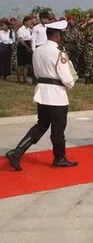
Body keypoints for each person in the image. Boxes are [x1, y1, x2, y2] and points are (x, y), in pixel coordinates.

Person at [6, 20, 78, 171]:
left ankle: (17, 152)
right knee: (58, 130)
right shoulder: (59, 53)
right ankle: (59, 158)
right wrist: (72, 82)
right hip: (57, 96)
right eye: (61, 35)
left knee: (41, 125)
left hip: (42, 93)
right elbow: (67, 79)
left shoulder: (38, 50)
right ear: (57, 36)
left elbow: (37, 72)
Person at [15, 16, 34, 84]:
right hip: (22, 46)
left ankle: (25, 77)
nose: (30, 23)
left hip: (28, 45)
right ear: (25, 22)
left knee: (26, 64)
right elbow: (20, 40)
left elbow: (31, 39)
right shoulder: (21, 29)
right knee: (20, 64)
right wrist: (27, 47)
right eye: (29, 21)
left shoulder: (30, 30)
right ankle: (19, 78)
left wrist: (31, 47)